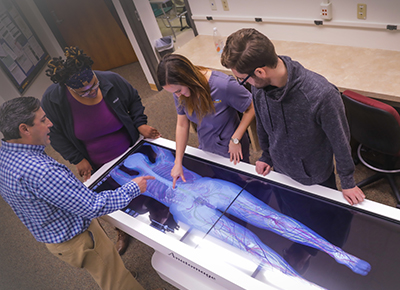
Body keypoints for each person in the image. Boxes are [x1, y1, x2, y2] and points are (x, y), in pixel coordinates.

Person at [107, 144, 370, 289]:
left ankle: (336, 252)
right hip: (184, 206)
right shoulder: (122, 175)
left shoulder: (160, 152)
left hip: (205, 188)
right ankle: (303, 284)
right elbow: (115, 185)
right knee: (248, 242)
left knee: (271, 218)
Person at [0, 97, 160, 290]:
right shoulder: (42, 171)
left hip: (55, 235)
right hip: (79, 239)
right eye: (43, 120)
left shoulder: (5, 155)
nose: (50, 123)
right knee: (115, 282)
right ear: (24, 129)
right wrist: (133, 187)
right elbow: (93, 206)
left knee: (108, 269)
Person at [220, 28, 365, 206]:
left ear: (260, 72)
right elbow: (263, 126)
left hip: (314, 178)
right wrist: (266, 156)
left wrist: (347, 182)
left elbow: (340, 140)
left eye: (242, 79)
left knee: (325, 227)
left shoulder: (322, 95)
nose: (243, 84)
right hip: (280, 172)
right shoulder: (259, 88)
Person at [41, 46, 160, 255]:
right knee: (112, 199)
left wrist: (140, 124)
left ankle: (156, 216)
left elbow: (134, 99)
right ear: (69, 88)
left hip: (130, 148)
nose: (91, 92)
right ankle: (122, 231)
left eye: (94, 86)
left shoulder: (111, 80)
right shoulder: (53, 99)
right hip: (96, 162)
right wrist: (77, 158)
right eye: (83, 92)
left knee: (147, 187)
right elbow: (54, 133)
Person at [157, 54, 255, 188]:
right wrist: (178, 162)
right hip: (207, 145)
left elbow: (252, 106)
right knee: (221, 182)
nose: (177, 95)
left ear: (187, 78)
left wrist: (235, 139)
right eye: (174, 93)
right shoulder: (178, 93)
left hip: (233, 148)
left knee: (241, 185)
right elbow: (182, 125)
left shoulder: (222, 85)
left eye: (179, 90)